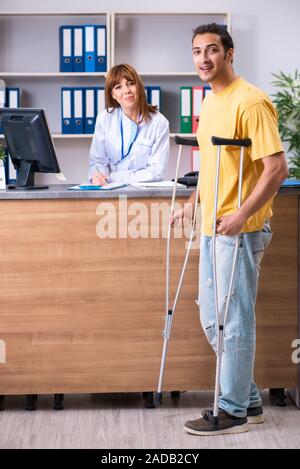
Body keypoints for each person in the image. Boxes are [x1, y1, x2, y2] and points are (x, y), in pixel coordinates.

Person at [171, 23, 288, 436]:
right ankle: (251, 399)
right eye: (196, 51)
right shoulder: (212, 100)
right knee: (211, 317)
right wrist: (192, 201)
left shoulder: (252, 101)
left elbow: (276, 168)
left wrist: (240, 215)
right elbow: (213, 166)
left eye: (212, 50)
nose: (203, 59)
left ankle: (233, 409)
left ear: (230, 53)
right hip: (212, 226)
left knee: (233, 321)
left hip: (240, 229)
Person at [88, 64, 169, 185]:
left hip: (143, 193)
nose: (126, 90)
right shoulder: (104, 118)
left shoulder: (159, 122)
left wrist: (113, 177)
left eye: (131, 83)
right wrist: (98, 176)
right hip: (108, 189)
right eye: (118, 87)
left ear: (139, 87)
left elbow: (156, 171)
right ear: (113, 95)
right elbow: (97, 162)